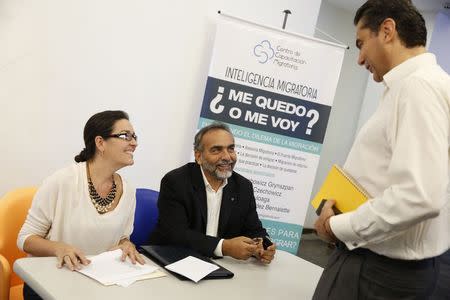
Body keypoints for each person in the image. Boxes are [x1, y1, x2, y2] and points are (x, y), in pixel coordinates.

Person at [313, 0, 450, 299]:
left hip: (377, 271)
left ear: (387, 30)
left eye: (361, 43)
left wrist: (340, 225)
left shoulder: (417, 88)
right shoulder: (418, 86)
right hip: (384, 265)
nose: (360, 58)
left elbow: (419, 195)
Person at [17, 110, 144, 300]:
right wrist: (59, 248)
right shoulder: (62, 181)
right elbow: (25, 239)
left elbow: (123, 238)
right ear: (100, 142)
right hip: (50, 282)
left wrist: (127, 245)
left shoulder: (129, 191)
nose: (134, 143)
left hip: (97, 284)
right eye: (125, 136)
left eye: (134, 136)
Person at [149, 122, 276, 263]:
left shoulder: (243, 186)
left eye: (231, 149)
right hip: (176, 260)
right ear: (198, 156)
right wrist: (224, 247)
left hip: (222, 266)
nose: (227, 157)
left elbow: (254, 229)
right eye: (216, 150)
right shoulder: (176, 182)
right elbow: (176, 235)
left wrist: (262, 246)